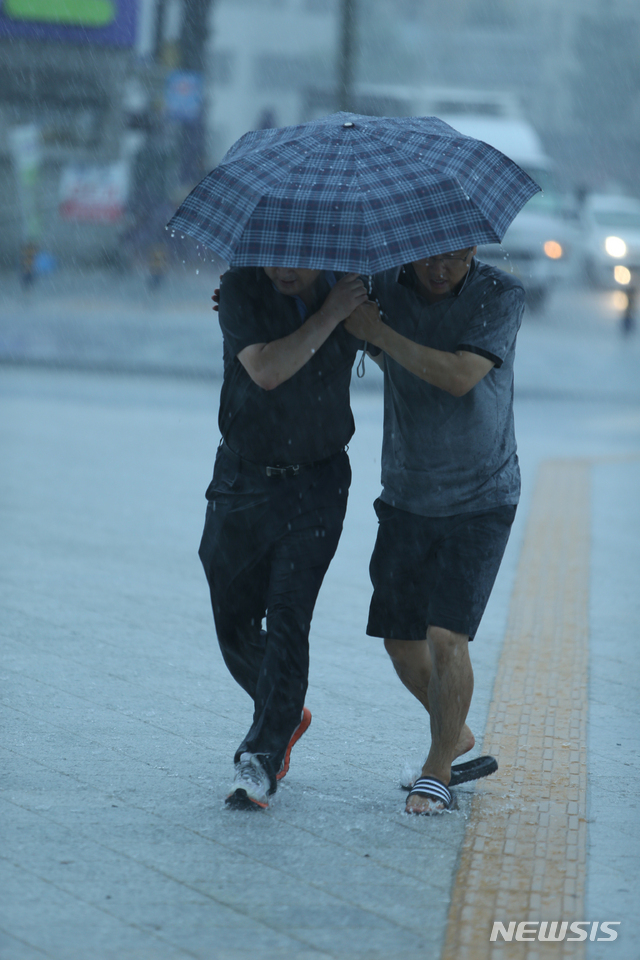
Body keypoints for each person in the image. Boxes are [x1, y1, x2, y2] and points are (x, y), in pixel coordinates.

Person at [344, 246, 525, 815]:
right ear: (410, 249)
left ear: (475, 249)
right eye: (431, 258)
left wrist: (381, 334)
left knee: (448, 636)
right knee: (401, 642)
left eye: (457, 256)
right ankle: (455, 732)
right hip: (407, 492)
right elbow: (341, 322)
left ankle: (436, 768)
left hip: (482, 494)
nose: (442, 269)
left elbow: (459, 376)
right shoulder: (383, 285)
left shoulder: (499, 294)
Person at [200, 266, 368, 810]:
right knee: (234, 622)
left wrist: (368, 320)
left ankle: (261, 757)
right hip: (242, 479)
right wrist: (331, 315)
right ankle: (286, 709)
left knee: (290, 616)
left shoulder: (357, 289)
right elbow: (268, 370)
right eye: (275, 253)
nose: (286, 267)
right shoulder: (242, 289)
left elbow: (399, 354)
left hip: (316, 483)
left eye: (300, 255)